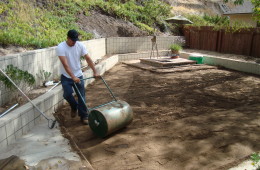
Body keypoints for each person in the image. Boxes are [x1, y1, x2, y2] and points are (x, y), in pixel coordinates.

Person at [56, 29, 99, 125]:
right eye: (72, 40)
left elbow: (88, 58)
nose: (74, 42)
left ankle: (84, 116)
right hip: (66, 76)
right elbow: (65, 64)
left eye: (76, 40)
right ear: (67, 38)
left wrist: (95, 71)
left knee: (81, 96)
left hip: (78, 74)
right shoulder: (61, 47)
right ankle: (74, 106)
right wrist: (73, 77)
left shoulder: (80, 45)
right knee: (67, 95)